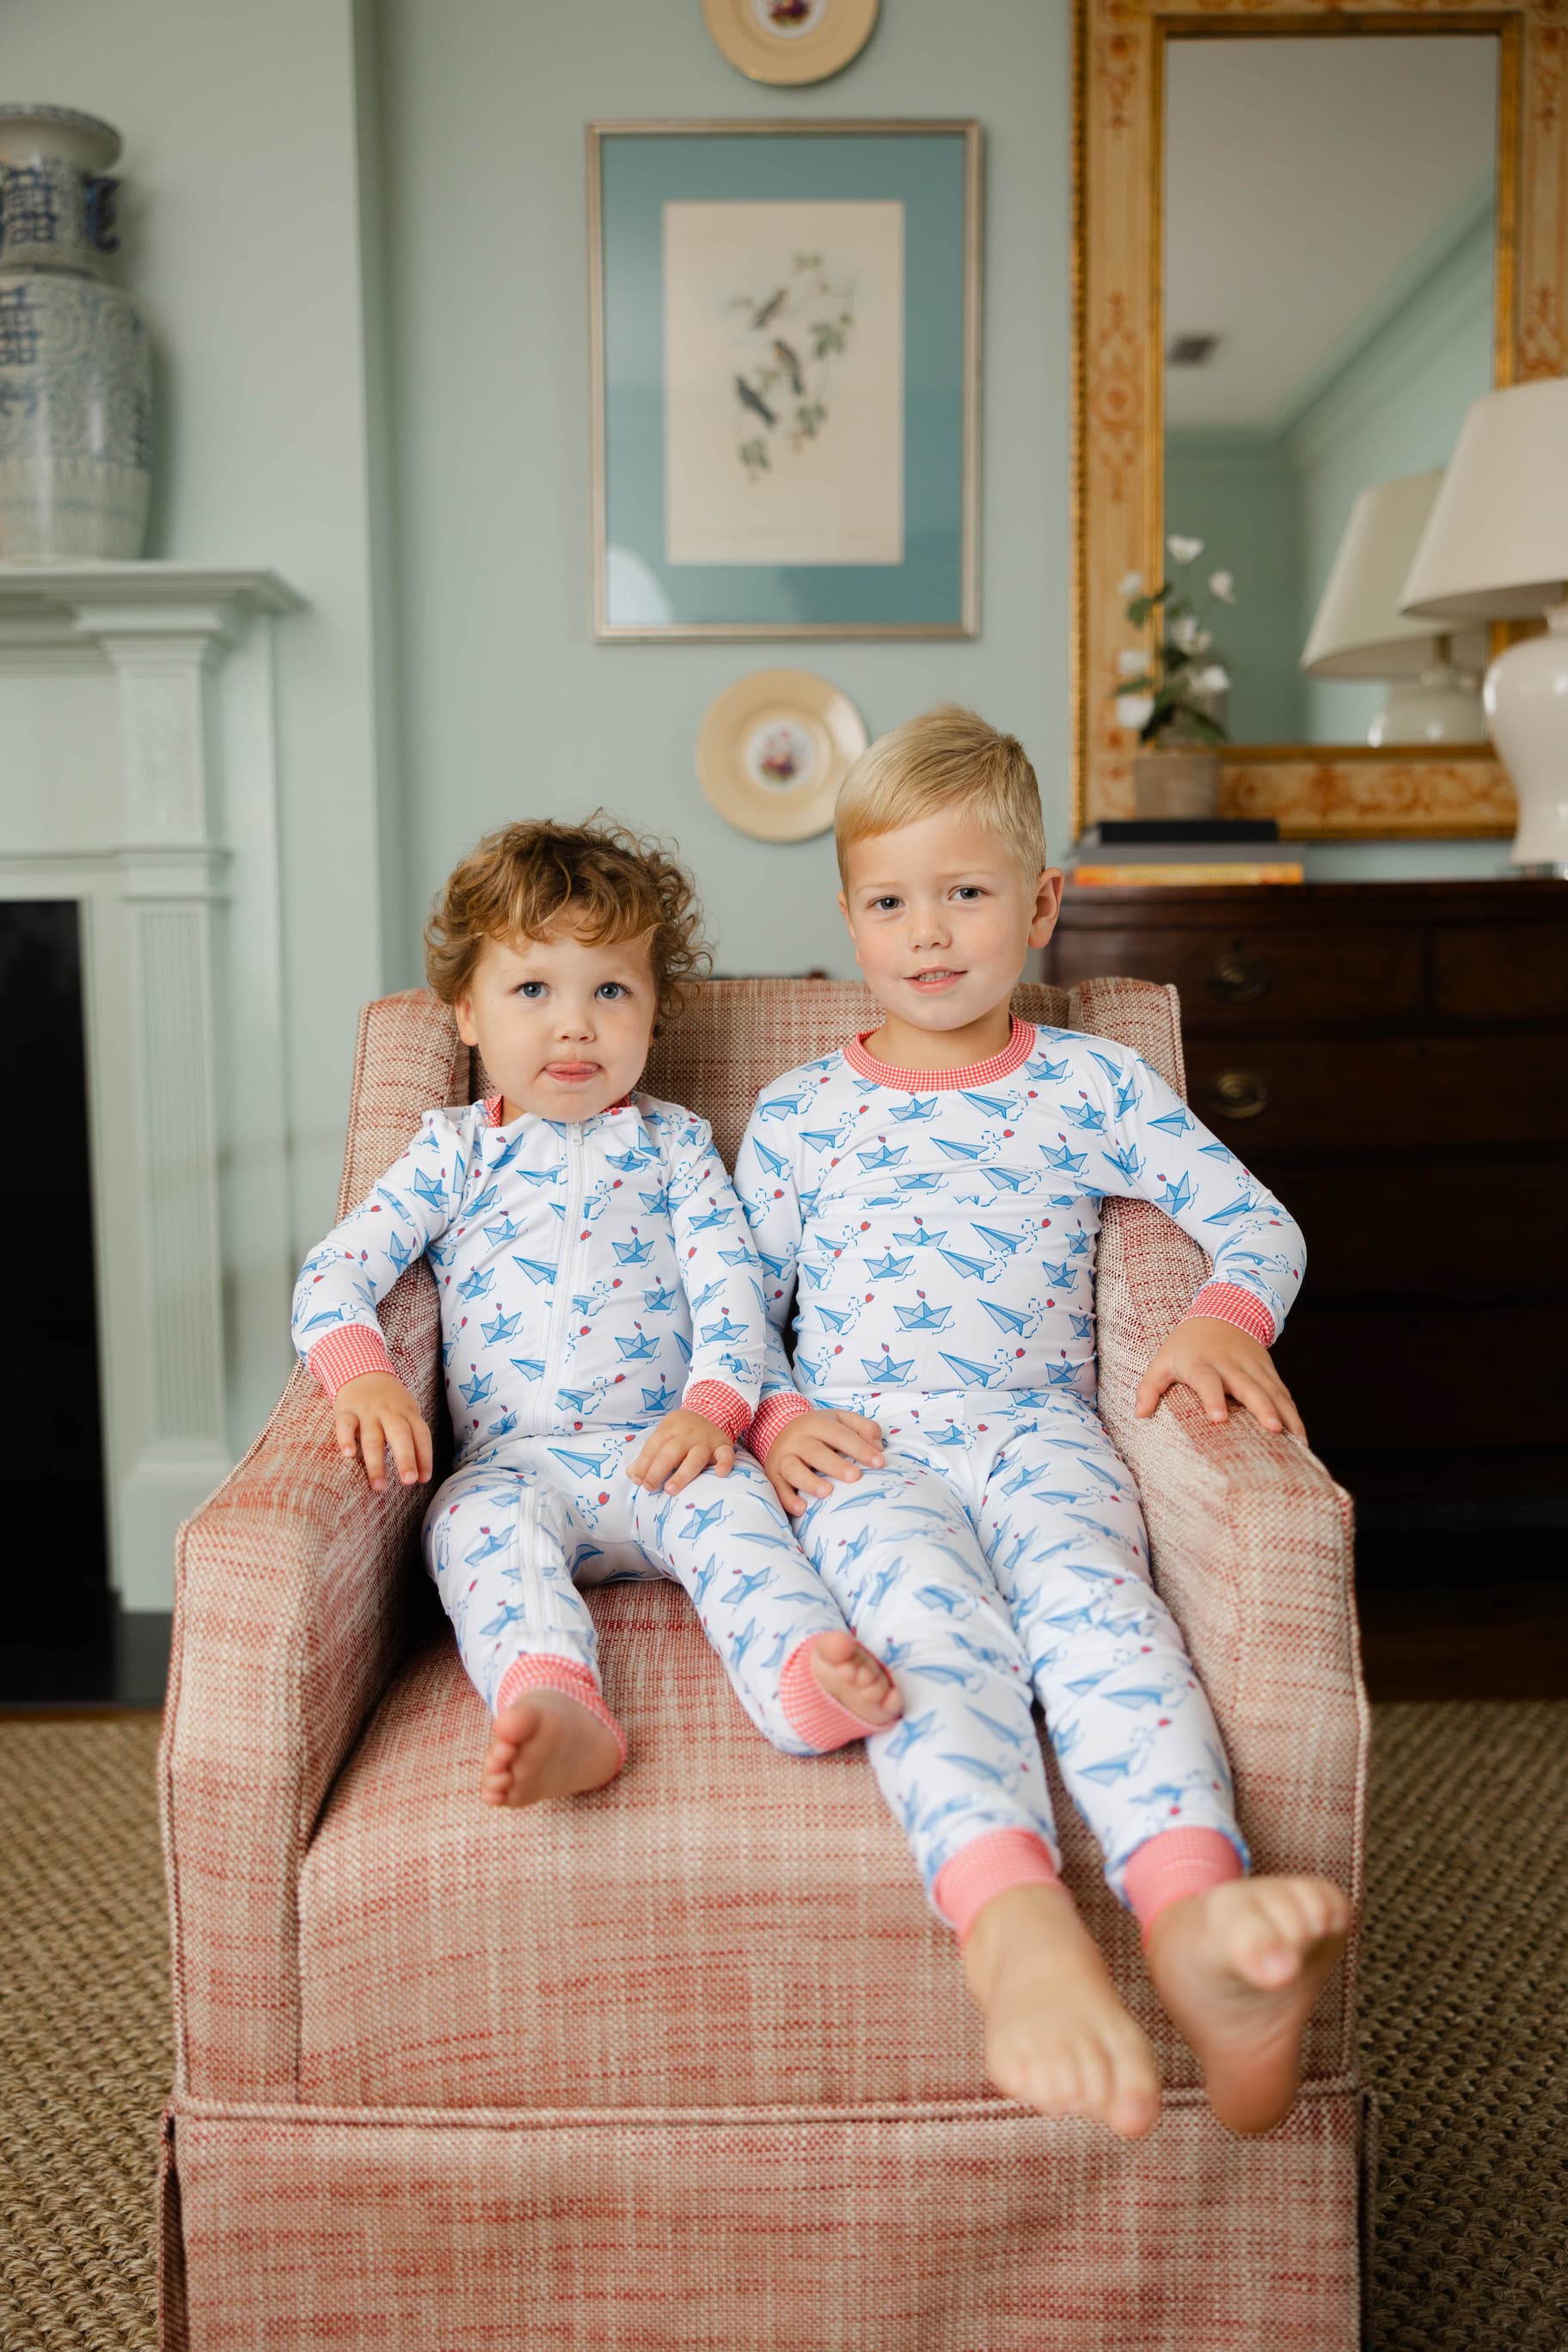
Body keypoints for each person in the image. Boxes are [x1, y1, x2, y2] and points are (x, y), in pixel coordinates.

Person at [732, 705, 1351, 2141]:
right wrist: (771, 1416)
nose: (929, 933)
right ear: (847, 914)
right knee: (927, 1632)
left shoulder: (1091, 1083)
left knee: (1100, 1611)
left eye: (965, 891)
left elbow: (1255, 1223)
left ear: (1039, 905)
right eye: (890, 901)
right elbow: (731, 1310)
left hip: (1041, 1432)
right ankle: (1015, 1933)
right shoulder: (799, 1114)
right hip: (865, 1450)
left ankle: (1197, 1916)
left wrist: (1222, 1317)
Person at [291, 818, 899, 1810]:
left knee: (741, 1518)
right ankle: (556, 1699)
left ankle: (803, 1675)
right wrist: (362, 1375)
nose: (574, 1024)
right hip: (514, 1467)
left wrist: (712, 1411)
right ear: (468, 1014)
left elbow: (733, 1293)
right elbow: (335, 1272)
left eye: (610, 991)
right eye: (533, 990)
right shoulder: (452, 1154)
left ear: (653, 1016)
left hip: (668, 1452)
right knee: (472, 1529)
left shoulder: (676, 1148)